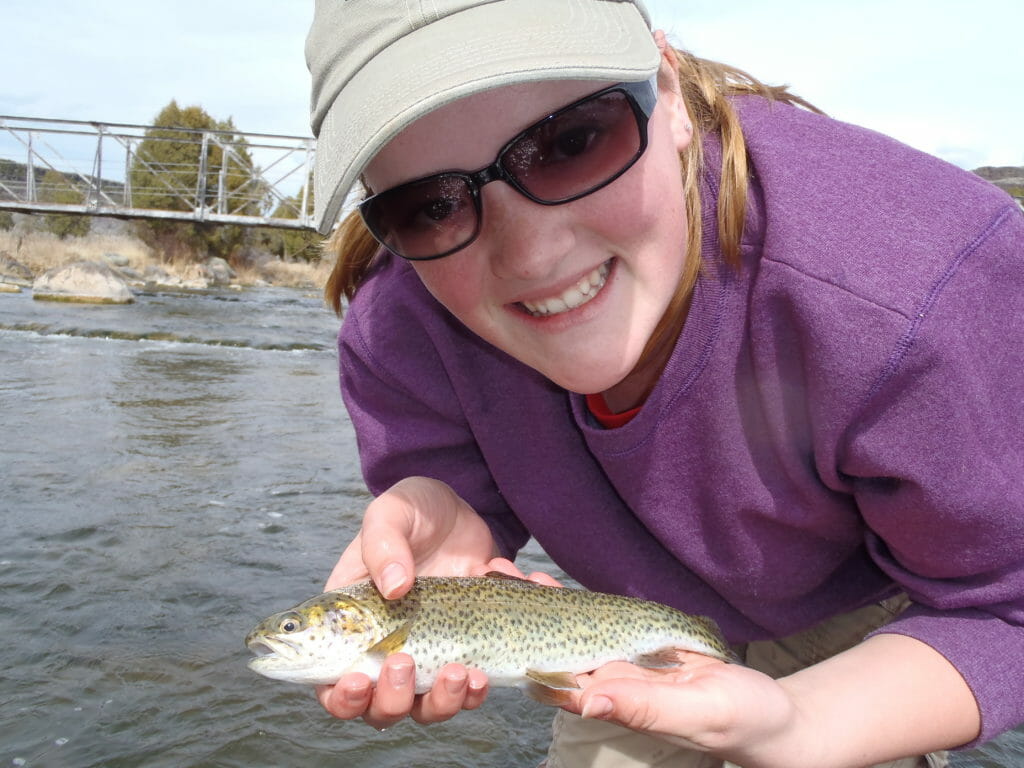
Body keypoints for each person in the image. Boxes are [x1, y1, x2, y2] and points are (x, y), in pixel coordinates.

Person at [303, 1, 1024, 766]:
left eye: (571, 141)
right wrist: (461, 511)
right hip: (621, 625)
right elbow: (463, 510)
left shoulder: (924, 291)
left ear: (670, 94)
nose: (532, 258)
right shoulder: (400, 328)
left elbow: (1007, 604)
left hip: (867, 615)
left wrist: (796, 724)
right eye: (429, 205)